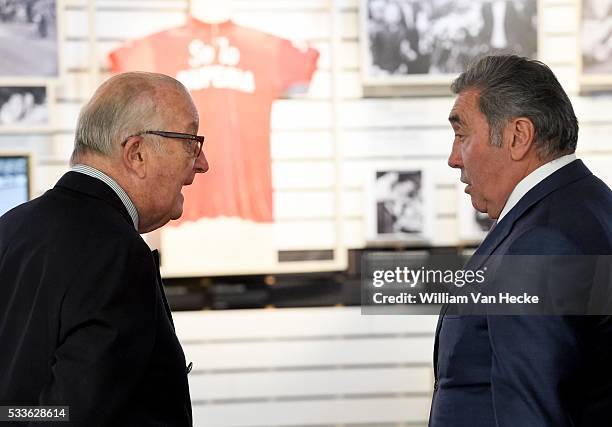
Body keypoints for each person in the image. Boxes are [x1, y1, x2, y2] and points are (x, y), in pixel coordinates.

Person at [0, 72, 209, 425]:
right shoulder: (118, 255)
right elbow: (73, 415)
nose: (202, 163)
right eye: (191, 141)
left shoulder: (11, 227)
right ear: (136, 154)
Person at [430, 55, 612, 426]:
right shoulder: (587, 206)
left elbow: (531, 411)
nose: (453, 158)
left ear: (518, 137)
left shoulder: (542, 241)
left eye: (462, 134)